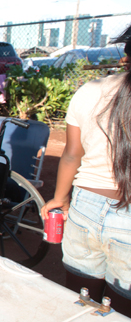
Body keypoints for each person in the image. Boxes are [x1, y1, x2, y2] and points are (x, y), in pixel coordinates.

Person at [41, 24, 131, 317]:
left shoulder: (89, 90)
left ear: (124, 57)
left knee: (80, 301)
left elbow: (71, 154)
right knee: (120, 311)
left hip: (85, 206)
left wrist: (59, 198)